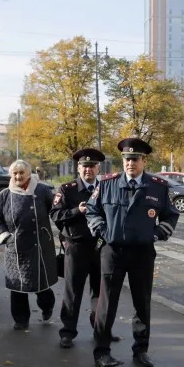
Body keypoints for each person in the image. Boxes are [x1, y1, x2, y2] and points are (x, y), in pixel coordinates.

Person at [86, 138, 180, 367]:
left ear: (144, 161)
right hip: (113, 251)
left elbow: (170, 215)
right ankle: (102, 351)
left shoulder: (157, 186)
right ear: (122, 161)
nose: (130, 163)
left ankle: (141, 350)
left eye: (135, 159)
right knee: (107, 303)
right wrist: (102, 230)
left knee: (142, 302)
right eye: (127, 159)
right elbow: (91, 210)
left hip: (142, 252)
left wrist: (157, 234)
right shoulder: (106, 184)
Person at [50, 148, 119, 349]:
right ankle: (67, 332)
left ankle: (100, 329)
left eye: (92, 166)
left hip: (102, 247)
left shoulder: (108, 187)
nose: (88, 170)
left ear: (99, 168)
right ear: (78, 168)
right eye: (84, 166)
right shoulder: (67, 189)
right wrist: (76, 212)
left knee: (101, 291)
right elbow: (55, 214)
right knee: (73, 291)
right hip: (77, 246)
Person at [0, 160, 57, 330]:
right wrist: (4, 236)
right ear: (10, 175)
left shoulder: (42, 191)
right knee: (18, 286)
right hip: (16, 247)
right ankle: (21, 320)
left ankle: (47, 306)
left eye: (21, 173)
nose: (18, 176)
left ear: (29, 174)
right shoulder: (4, 195)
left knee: (41, 284)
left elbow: (57, 212)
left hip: (40, 246)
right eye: (15, 173)